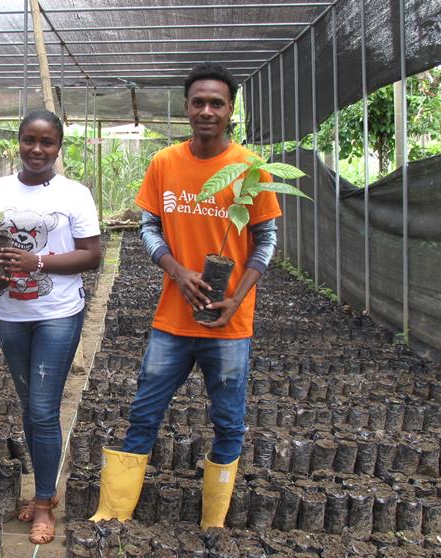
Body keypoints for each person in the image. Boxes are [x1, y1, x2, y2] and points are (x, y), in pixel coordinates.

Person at [89, 63, 280, 528]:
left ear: (230, 110)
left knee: (229, 421)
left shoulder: (251, 169)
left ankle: (213, 521)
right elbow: (149, 227)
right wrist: (176, 271)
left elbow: (266, 240)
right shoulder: (165, 163)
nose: (207, 111)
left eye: (217, 103)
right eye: (198, 102)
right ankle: (113, 515)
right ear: (187, 107)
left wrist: (237, 299)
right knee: (143, 413)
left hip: (228, 324)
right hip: (172, 320)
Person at [0, 109, 101, 544]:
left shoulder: (74, 194)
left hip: (57, 313)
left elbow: (92, 256)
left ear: (58, 147)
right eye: (29, 140)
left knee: (45, 410)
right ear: (19, 142)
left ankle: (45, 502)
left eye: (46, 142)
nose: (37, 149)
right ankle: (46, 488)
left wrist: (37, 262)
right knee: (30, 406)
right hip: (10, 314)